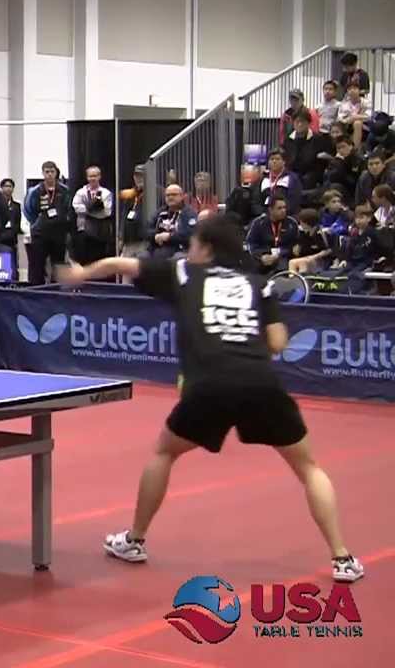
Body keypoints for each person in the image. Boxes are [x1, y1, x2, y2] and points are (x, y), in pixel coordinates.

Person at [57, 216, 363, 583]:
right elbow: (278, 342)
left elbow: (119, 264)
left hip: (209, 384)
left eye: (193, 244)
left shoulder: (184, 273)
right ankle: (342, 558)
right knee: (309, 468)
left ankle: (135, 540)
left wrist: (82, 274)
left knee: (164, 453)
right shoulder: (258, 284)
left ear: (205, 248)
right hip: (260, 383)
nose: (189, 250)